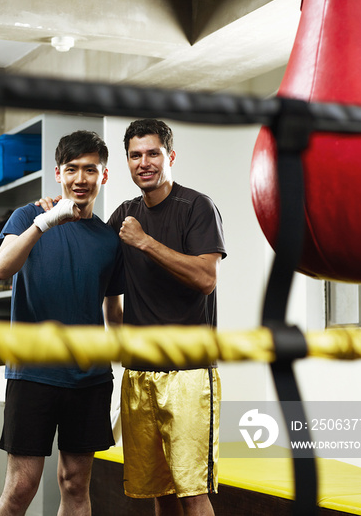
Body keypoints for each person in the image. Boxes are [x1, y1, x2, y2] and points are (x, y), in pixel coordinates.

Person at [0, 130, 124, 516]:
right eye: (72, 169)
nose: (80, 178)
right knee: (21, 486)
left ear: (103, 176)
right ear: (58, 173)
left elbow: (113, 312)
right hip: (33, 374)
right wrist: (45, 222)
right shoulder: (28, 216)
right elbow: (1, 268)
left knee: (75, 485)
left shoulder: (108, 239)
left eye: (90, 169)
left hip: (90, 378)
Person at [105, 119, 226, 516]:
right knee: (159, 491)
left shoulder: (196, 207)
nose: (144, 163)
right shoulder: (124, 212)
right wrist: (54, 212)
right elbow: (102, 274)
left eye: (153, 153)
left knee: (192, 491)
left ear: (169, 156)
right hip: (139, 373)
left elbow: (206, 278)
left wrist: (145, 242)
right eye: (135, 155)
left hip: (188, 372)